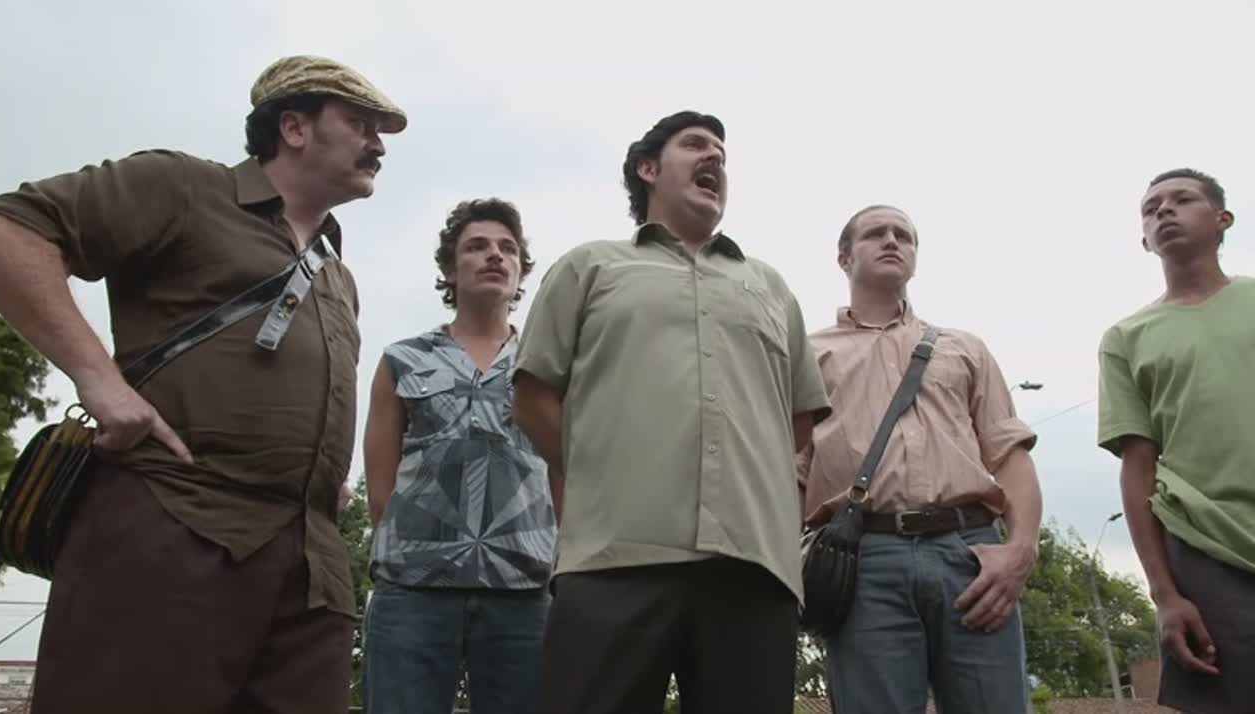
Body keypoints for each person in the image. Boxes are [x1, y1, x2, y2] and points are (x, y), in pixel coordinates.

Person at [0, 55, 406, 714]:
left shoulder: (336, 272)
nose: (378, 144)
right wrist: (97, 378)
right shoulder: (184, 187)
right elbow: (4, 228)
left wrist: (316, 469)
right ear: (294, 127)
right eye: (360, 124)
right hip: (174, 526)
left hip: (311, 568)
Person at [511, 110, 832, 714]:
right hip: (611, 559)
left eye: (722, 154)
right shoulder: (589, 266)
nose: (715, 158)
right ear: (648, 169)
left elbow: (795, 422)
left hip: (753, 566)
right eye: (694, 145)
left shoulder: (770, 287)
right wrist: (606, 474)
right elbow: (532, 397)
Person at [799, 205, 1042, 713]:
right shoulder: (808, 354)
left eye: (903, 235)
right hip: (861, 561)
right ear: (844, 258)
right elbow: (791, 472)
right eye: (876, 233)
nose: (892, 240)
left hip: (972, 556)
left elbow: (1009, 454)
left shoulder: (965, 348)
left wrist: (1020, 550)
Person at [360, 198, 555, 714]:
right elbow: (379, 489)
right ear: (450, 268)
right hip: (413, 589)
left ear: (521, 272)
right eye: (477, 246)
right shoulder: (403, 360)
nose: (495, 256)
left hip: (525, 589)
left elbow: (567, 470)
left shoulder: (549, 366)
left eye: (508, 249)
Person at [1098, 168, 1251, 714]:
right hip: (1204, 550)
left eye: (1182, 199)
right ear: (1145, 239)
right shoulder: (1125, 339)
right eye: (1151, 208)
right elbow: (1138, 466)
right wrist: (1165, 595)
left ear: (1222, 219)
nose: (1164, 210)